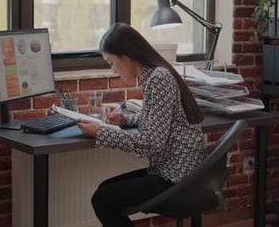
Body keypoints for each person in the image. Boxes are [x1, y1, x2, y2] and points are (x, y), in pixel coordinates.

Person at [77, 22, 206, 227]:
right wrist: (124, 120)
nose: (112, 70)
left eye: (111, 63)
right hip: (171, 170)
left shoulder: (158, 78)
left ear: (126, 57)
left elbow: (152, 142)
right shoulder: (154, 75)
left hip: (177, 177)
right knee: (104, 192)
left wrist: (101, 132)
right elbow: (161, 120)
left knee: (103, 199)